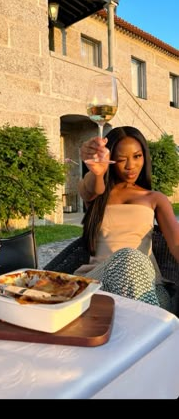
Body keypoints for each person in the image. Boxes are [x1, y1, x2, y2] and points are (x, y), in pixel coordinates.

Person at [75, 126, 179, 311]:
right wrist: (97, 172)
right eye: (122, 159)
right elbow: (92, 189)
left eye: (137, 156)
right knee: (128, 256)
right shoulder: (97, 195)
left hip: (150, 287)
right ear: (110, 160)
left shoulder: (155, 198)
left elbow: (176, 244)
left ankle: (143, 325)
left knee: (134, 259)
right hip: (98, 284)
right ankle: (153, 330)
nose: (131, 166)